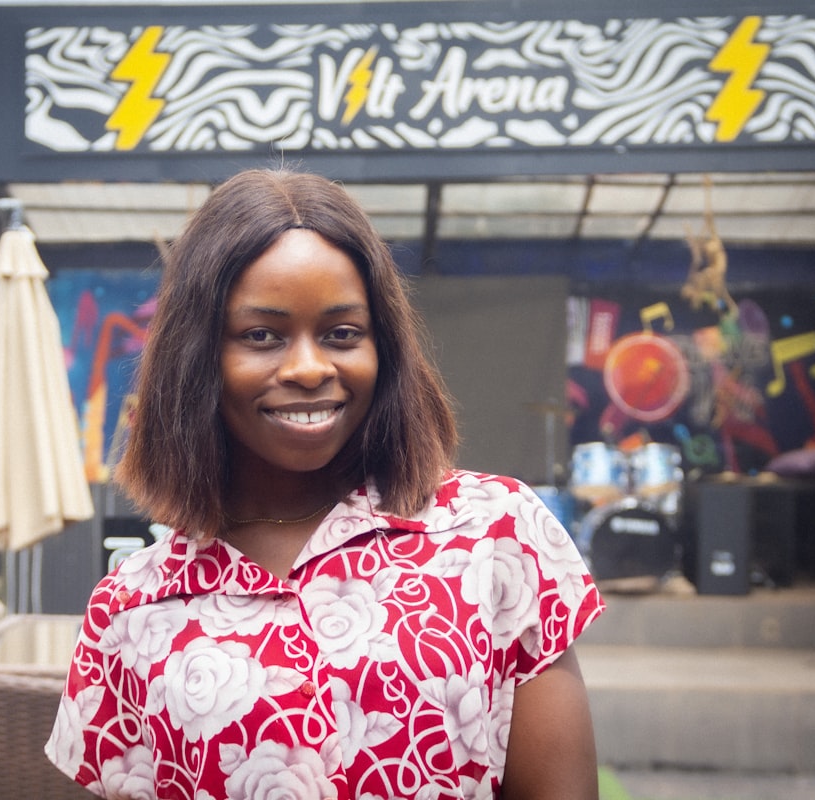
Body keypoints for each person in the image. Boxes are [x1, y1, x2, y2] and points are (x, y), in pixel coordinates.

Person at [46, 168, 604, 799]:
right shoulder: (129, 607)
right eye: (262, 335)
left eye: (342, 334)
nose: (310, 368)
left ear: (383, 348)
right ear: (197, 357)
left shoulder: (494, 533)